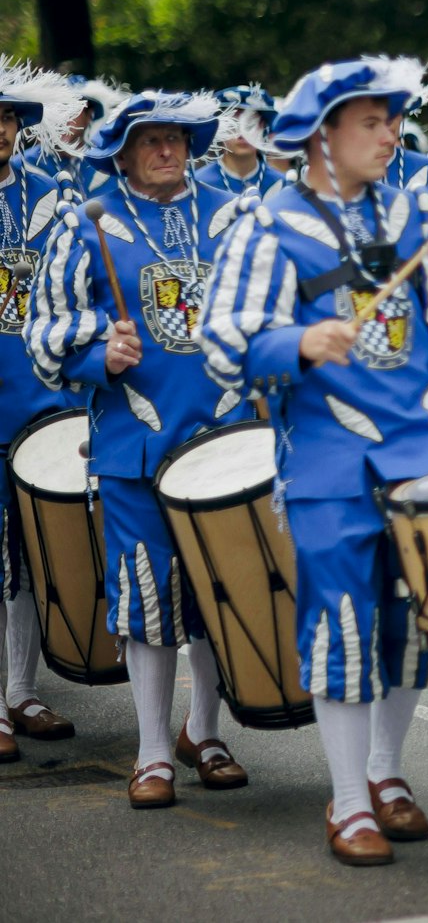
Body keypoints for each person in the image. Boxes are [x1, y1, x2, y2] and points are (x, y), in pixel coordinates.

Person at [198, 55, 428, 866]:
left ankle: (386, 772)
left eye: (390, 121)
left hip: (421, 447)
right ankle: (348, 804)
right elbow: (224, 339)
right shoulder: (267, 225)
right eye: (372, 123)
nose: (389, 136)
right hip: (327, 458)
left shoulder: (415, 214)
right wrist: (297, 339)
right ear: (323, 136)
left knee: (419, 618)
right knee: (341, 624)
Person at [26, 91, 256, 810]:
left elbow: (272, 309)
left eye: (178, 138)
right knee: (148, 596)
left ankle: (205, 731)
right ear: (121, 151)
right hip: (136, 443)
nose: (167, 149)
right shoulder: (84, 220)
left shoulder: (233, 213)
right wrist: (100, 350)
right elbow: (44, 330)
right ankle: (153, 750)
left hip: (225, 437)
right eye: (150, 139)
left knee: (221, 587)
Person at [0, 63, 84, 759]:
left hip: (41, 403)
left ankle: (20, 692)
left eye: (7, 117)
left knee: (27, 555)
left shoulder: (54, 193)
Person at [195, 84, 288, 198]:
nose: (242, 135)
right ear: (220, 129)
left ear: (263, 128)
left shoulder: (282, 184)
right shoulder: (199, 183)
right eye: (233, 125)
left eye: (250, 126)